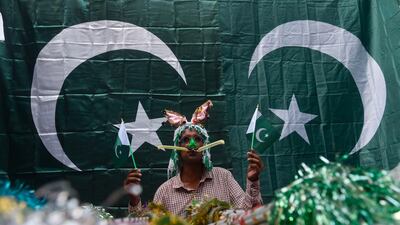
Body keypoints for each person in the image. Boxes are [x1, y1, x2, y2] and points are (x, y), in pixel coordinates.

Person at [124, 100, 263, 216]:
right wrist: (134, 199)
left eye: (197, 139)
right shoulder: (165, 191)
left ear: (205, 146)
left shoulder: (224, 177)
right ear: (177, 149)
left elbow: (249, 216)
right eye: (185, 140)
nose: (192, 145)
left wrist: (253, 180)